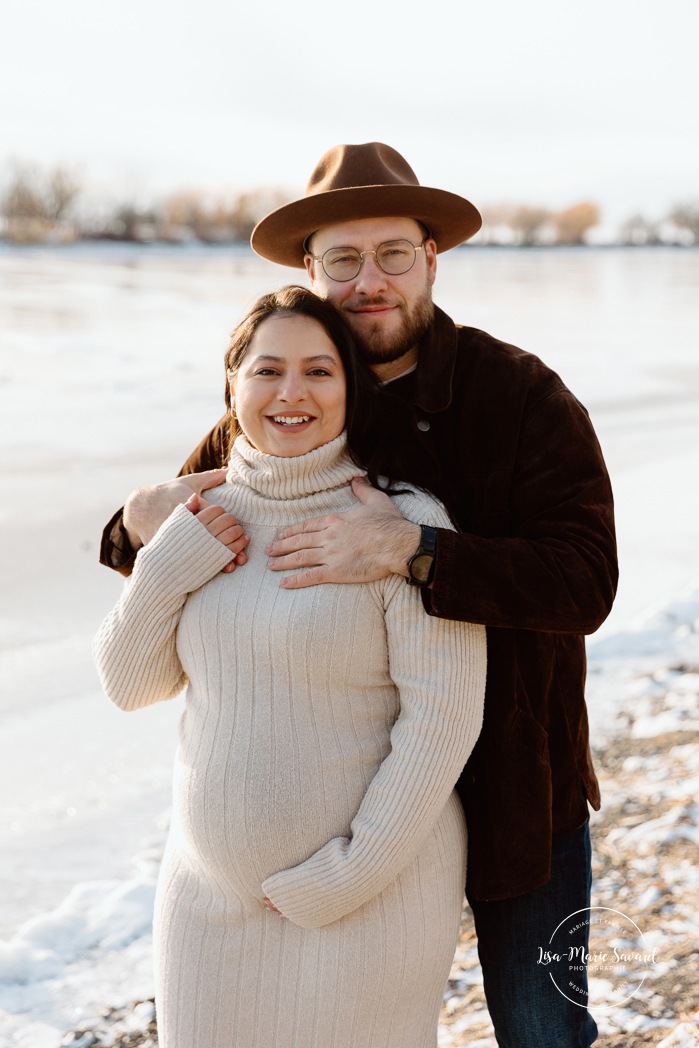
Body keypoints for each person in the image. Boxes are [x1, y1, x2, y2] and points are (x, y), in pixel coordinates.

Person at [100, 143, 618, 1047]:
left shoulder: (522, 395)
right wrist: (135, 517)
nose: (367, 280)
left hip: (512, 786)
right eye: (342, 258)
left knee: (545, 1032)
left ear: (431, 257)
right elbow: (188, 532)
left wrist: (414, 549)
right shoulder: (293, 384)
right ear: (311, 269)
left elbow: (584, 582)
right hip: (324, 793)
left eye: (392, 254)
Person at [94, 285, 487, 1048]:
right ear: (233, 385)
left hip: (368, 901)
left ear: (352, 388)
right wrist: (170, 558)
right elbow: (128, 683)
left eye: (318, 371)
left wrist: (348, 874)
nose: (291, 393)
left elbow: (442, 718)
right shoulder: (197, 519)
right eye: (267, 370)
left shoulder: (399, 521)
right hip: (205, 902)